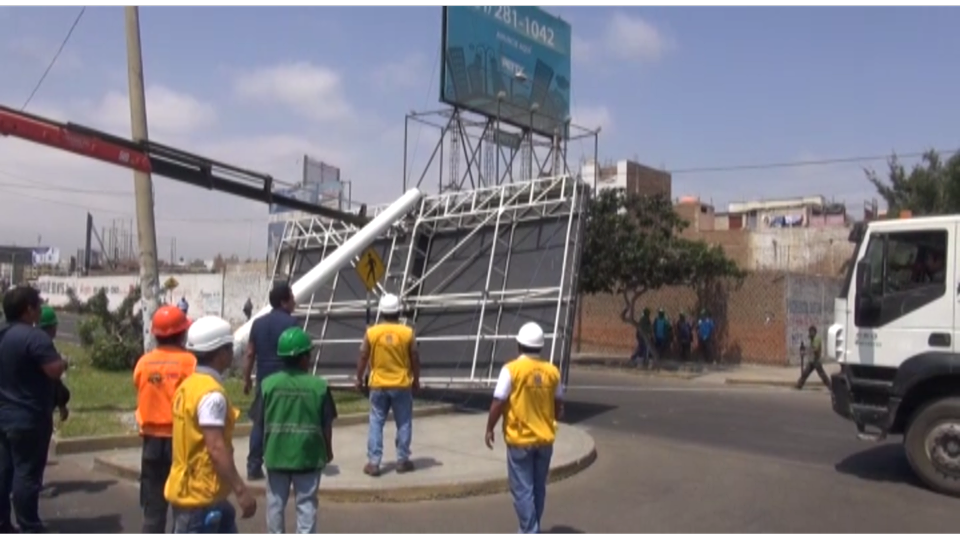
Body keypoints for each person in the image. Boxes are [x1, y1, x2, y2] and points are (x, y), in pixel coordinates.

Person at [165, 316, 256, 534]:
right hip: (200, 499)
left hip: (192, 490)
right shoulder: (211, 395)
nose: (233, 354)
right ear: (221, 353)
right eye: (230, 348)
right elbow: (215, 448)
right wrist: (240, 490)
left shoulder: (187, 386)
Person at [0, 286, 68, 534]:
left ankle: (3, 523)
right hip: (29, 416)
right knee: (27, 474)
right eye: (37, 305)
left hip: (4, 413)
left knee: (5, 470)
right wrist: (63, 362)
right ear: (28, 309)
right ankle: (30, 525)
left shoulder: (3, 334)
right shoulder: (34, 337)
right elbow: (53, 370)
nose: (40, 310)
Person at [484, 322, 564, 535]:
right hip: (545, 440)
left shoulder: (511, 370)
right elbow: (558, 404)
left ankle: (530, 530)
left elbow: (498, 402)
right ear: (541, 347)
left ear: (518, 344)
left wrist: (489, 427)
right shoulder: (552, 372)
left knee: (522, 491)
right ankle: (529, 529)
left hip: (520, 440)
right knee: (538, 488)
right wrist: (553, 418)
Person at [262, 327, 337, 534]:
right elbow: (326, 424)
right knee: (306, 506)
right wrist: (328, 451)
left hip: (276, 455)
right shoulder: (319, 386)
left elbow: (259, 422)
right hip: (308, 456)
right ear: (304, 358)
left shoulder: (267, 385)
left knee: (275, 505)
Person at [133, 305, 197, 534]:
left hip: (150, 441)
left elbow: (139, 387)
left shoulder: (144, 362)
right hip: (179, 442)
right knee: (184, 506)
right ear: (182, 333)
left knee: (153, 507)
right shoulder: (190, 363)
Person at [355, 293, 420, 477]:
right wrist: (416, 379)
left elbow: (363, 357)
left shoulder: (371, 332)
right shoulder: (407, 333)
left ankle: (374, 463)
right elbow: (415, 358)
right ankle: (402, 460)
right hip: (401, 384)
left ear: (382, 311)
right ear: (398, 311)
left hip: (378, 385)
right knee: (404, 422)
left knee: (376, 422)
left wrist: (359, 378)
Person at [242, 283, 298, 481]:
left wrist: (247, 379)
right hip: (286, 378)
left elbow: (250, 353)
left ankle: (253, 465)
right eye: (292, 297)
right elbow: (298, 354)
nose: (295, 301)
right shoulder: (292, 323)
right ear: (284, 301)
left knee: (260, 422)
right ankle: (283, 463)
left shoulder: (258, 324)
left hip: (264, 379)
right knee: (287, 421)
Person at [36, 306, 70, 425]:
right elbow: (55, 378)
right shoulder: (44, 346)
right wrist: (63, 364)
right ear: (51, 327)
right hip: (39, 408)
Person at [796, 325, 830, 390]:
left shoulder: (816, 338)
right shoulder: (813, 338)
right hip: (812, 360)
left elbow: (816, 349)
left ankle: (830, 386)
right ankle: (799, 385)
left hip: (816, 360)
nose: (810, 333)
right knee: (805, 373)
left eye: (811, 332)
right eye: (809, 332)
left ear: (814, 332)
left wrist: (809, 350)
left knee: (822, 374)